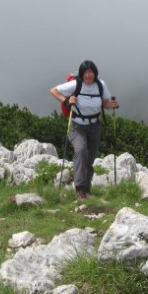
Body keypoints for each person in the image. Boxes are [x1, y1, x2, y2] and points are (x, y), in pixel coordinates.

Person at [50, 60, 119, 201]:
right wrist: (66, 100)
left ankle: (87, 189)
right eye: (85, 72)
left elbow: (104, 103)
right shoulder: (76, 84)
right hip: (77, 126)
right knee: (81, 151)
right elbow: (54, 90)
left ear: (95, 73)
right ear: (82, 74)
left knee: (90, 158)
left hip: (95, 126)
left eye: (91, 72)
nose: (88, 75)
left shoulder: (101, 85)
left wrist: (110, 104)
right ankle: (80, 189)